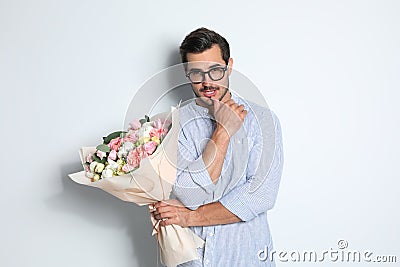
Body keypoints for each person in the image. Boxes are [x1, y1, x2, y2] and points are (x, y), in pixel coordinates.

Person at [150, 27, 284, 266]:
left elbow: (260, 196)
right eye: (196, 73)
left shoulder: (263, 121)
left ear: (229, 65)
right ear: (185, 72)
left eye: (215, 71)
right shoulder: (173, 125)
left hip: (246, 257)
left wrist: (190, 217)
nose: (206, 82)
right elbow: (190, 193)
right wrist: (223, 130)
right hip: (191, 260)